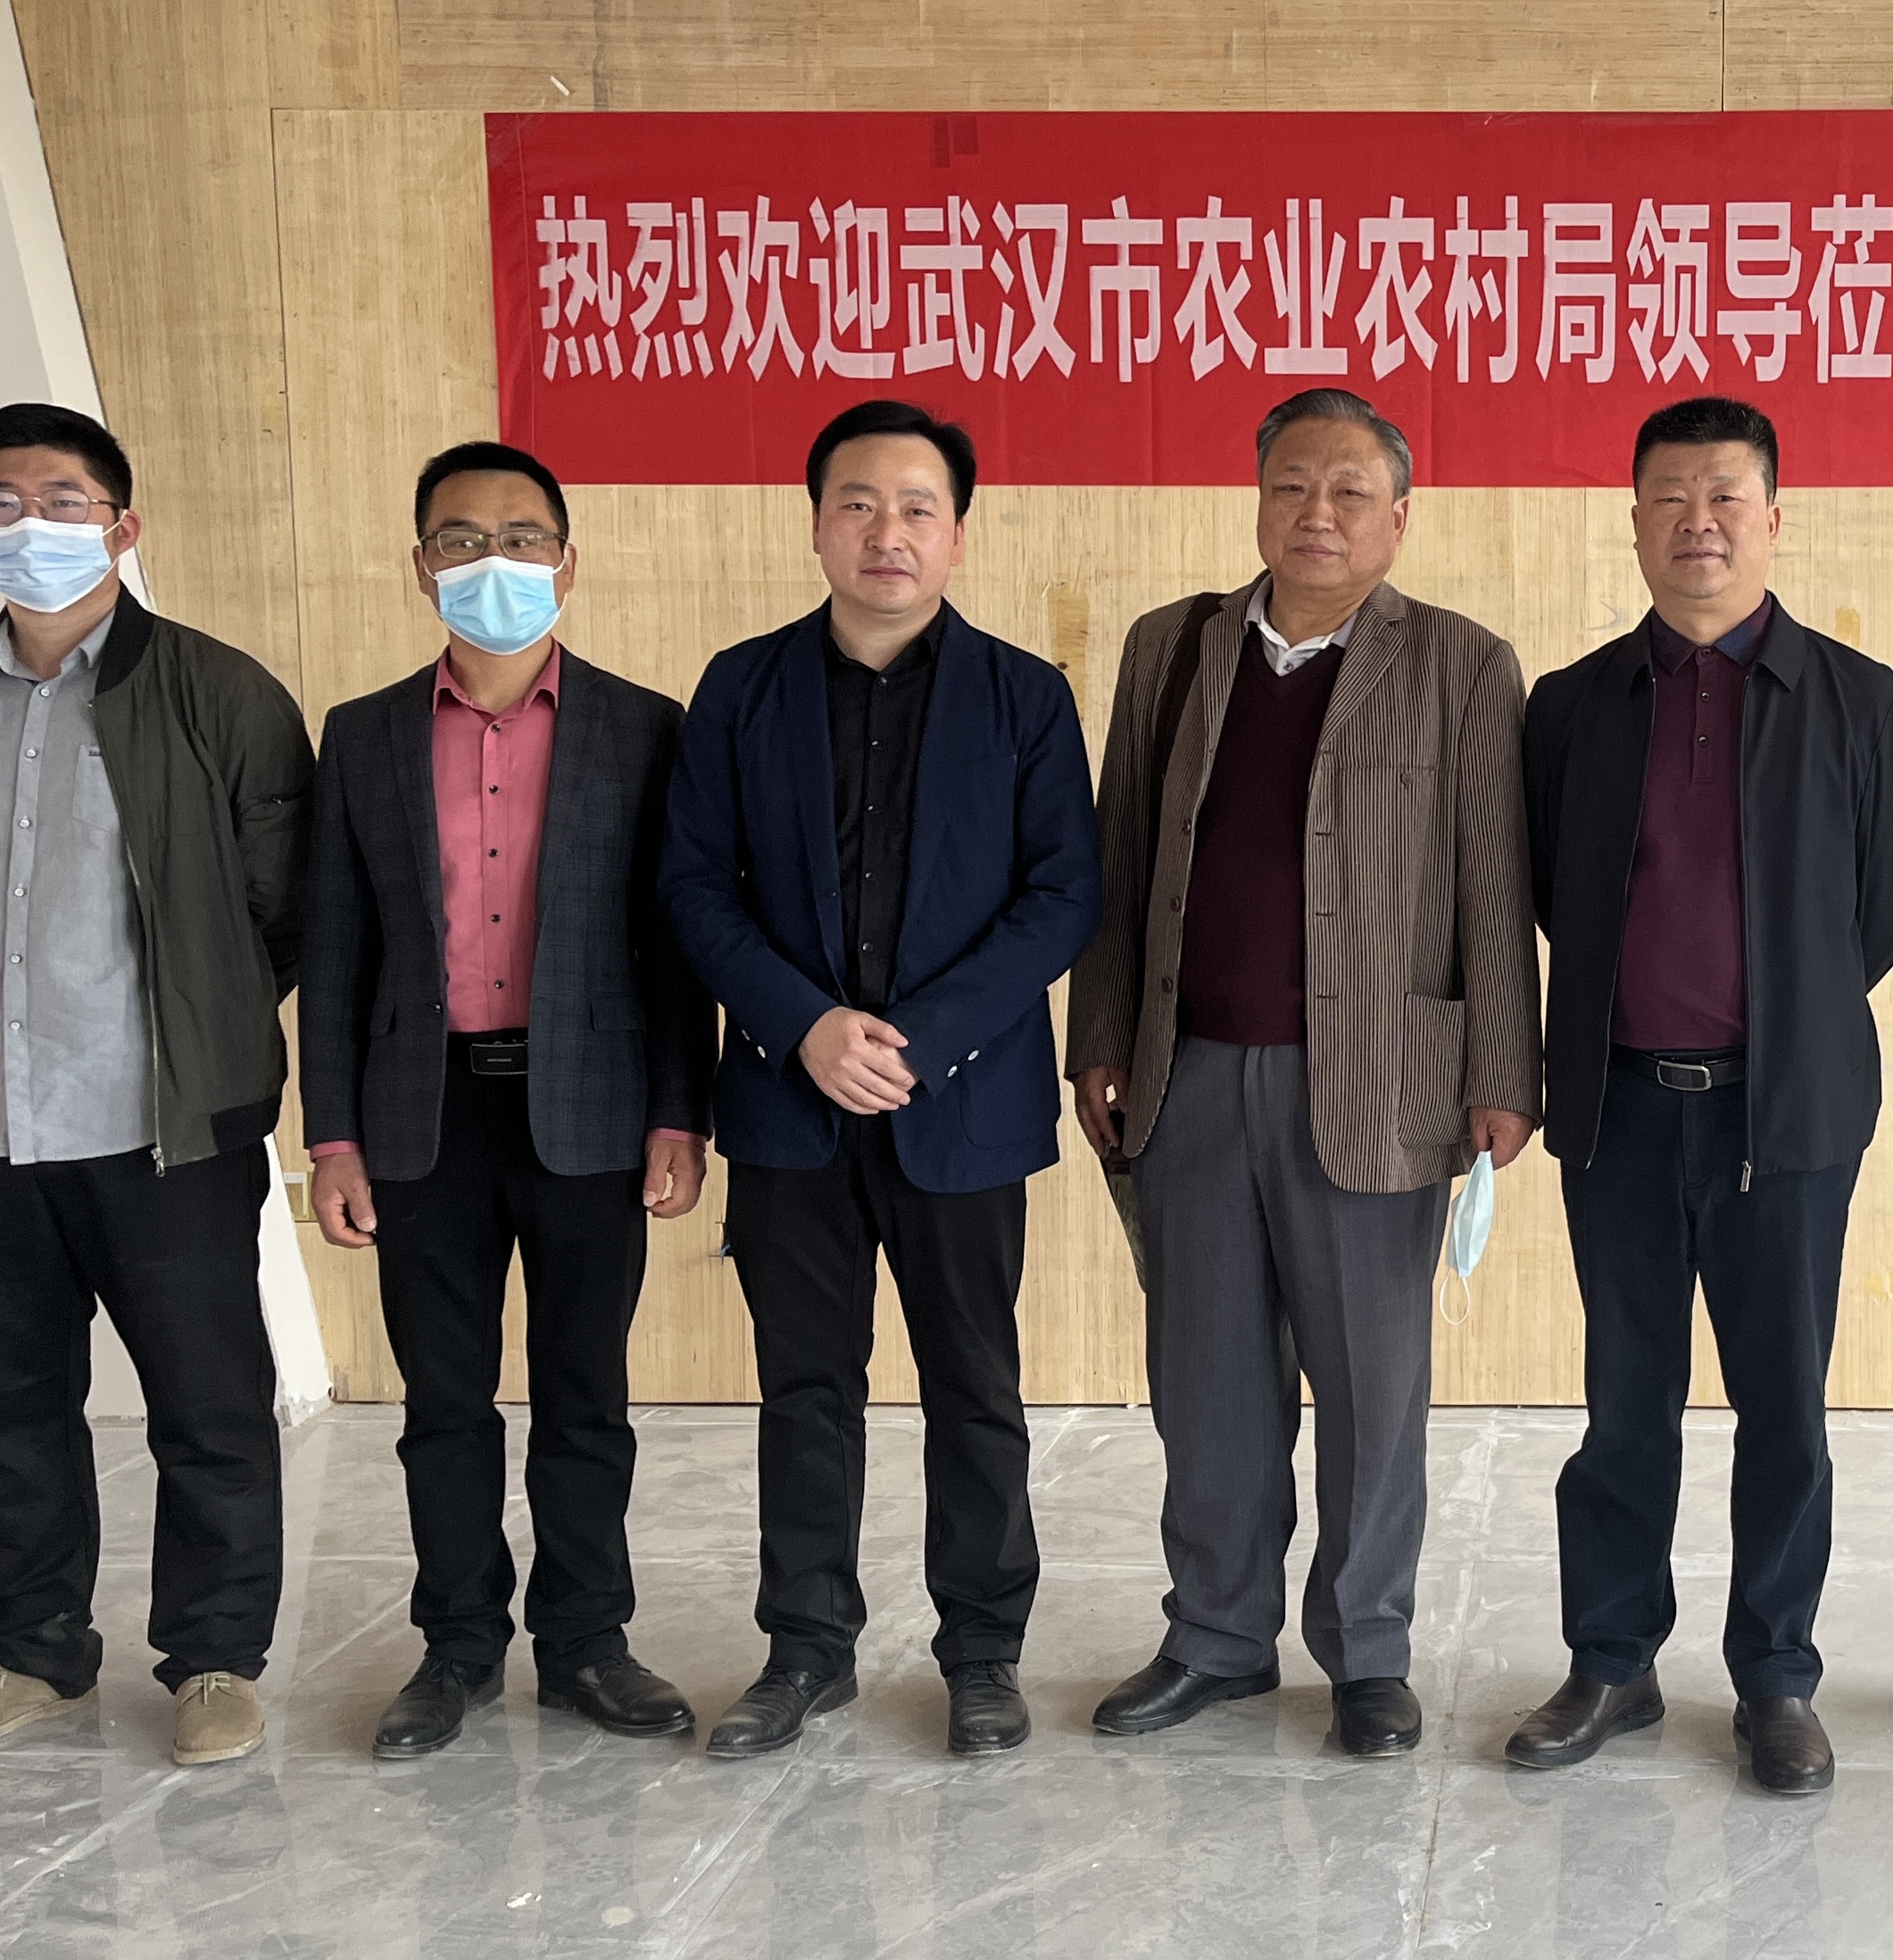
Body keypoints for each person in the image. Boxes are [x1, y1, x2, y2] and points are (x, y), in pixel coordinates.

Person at [1067, 388, 1538, 1760]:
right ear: (1258, 498)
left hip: (1381, 1084)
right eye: (1291, 486)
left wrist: (1504, 1070)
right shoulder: (1173, 648)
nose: (1315, 514)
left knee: (1373, 1389)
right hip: (1191, 1077)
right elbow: (1120, 859)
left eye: (1348, 492)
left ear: (1399, 517)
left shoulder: (1460, 663)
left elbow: (1494, 885)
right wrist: (1101, 1037)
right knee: (1206, 1380)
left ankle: (1368, 1652)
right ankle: (1215, 1637)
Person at [659, 401, 1101, 1758]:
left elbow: (1061, 897)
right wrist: (804, 1027)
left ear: (957, 534)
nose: (887, 532)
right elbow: (694, 886)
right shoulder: (741, 688)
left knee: (975, 1386)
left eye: (917, 507)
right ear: (816, 524)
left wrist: (917, 1038)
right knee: (805, 1389)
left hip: (959, 1107)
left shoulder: (1025, 697)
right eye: (858, 503)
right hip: (788, 1104)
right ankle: (806, 1649)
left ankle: (982, 1652)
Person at [0, 403, 312, 1766]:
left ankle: (215, 1661)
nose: (30, 525)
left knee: (209, 1405)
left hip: (159, 1128)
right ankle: (30, 1656)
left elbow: (284, 912)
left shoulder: (220, 691)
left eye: (63, 501)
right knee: (6, 1412)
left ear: (122, 526)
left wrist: (195, 1032)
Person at [1505, 396, 1893, 1795]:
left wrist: (1776, 1022)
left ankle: (1777, 1676)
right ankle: (1612, 1660)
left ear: (1774, 519)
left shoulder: (1862, 702)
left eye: (1727, 495)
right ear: (1633, 522)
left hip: (1784, 1116)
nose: (1699, 522)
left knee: (1785, 1409)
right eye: (1670, 498)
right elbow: (1551, 894)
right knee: (1626, 1402)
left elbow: (1877, 913)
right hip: (1619, 1110)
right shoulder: (1570, 707)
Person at [299, 441, 715, 1757]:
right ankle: (458, 1648)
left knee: (586, 1395)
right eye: (462, 539)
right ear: (420, 566)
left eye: (524, 538)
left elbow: (673, 943)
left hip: (589, 1107)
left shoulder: (644, 729)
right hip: (421, 1117)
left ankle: (588, 1642)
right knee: (444, 1403)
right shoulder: (362, 734)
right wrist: (331, 1135)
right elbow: (336, 948)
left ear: (567, 564)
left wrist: (680, 1110)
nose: (496, 562)